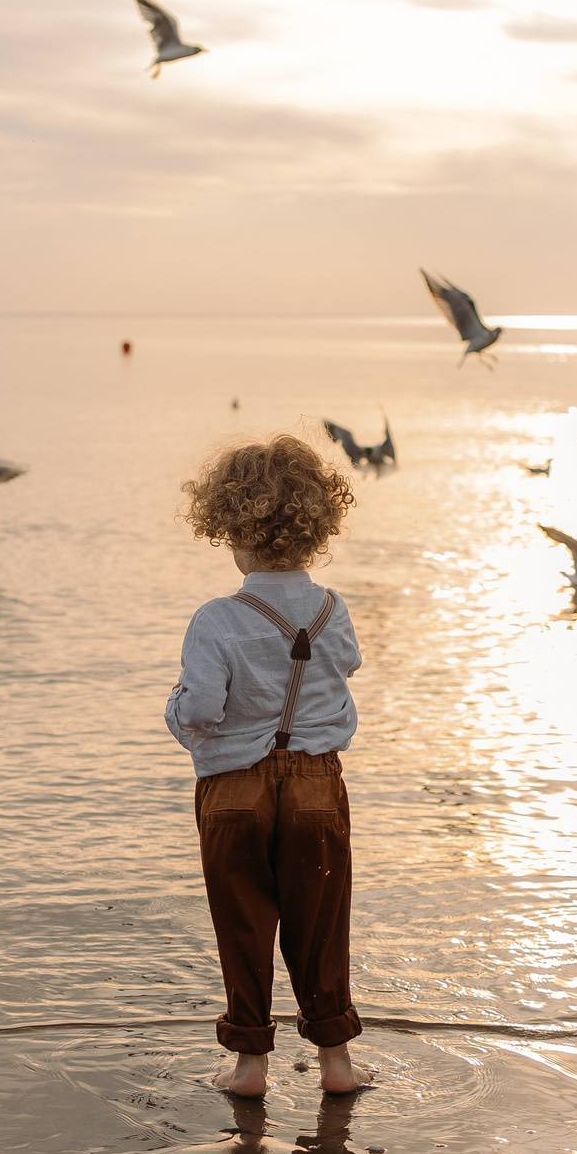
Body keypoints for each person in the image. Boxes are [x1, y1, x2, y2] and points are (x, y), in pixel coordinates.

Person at [166, 434, 373, 1094]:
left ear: (227, 524)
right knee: (322, 923)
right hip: (316, 780)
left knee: (244, 921)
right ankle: (336, 1064)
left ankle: (250, 1064)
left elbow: (200, 709)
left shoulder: (216, 619)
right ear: (315, 525)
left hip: (232, 788)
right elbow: (345, 665)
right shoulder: (331, 609)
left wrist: (176, 711)